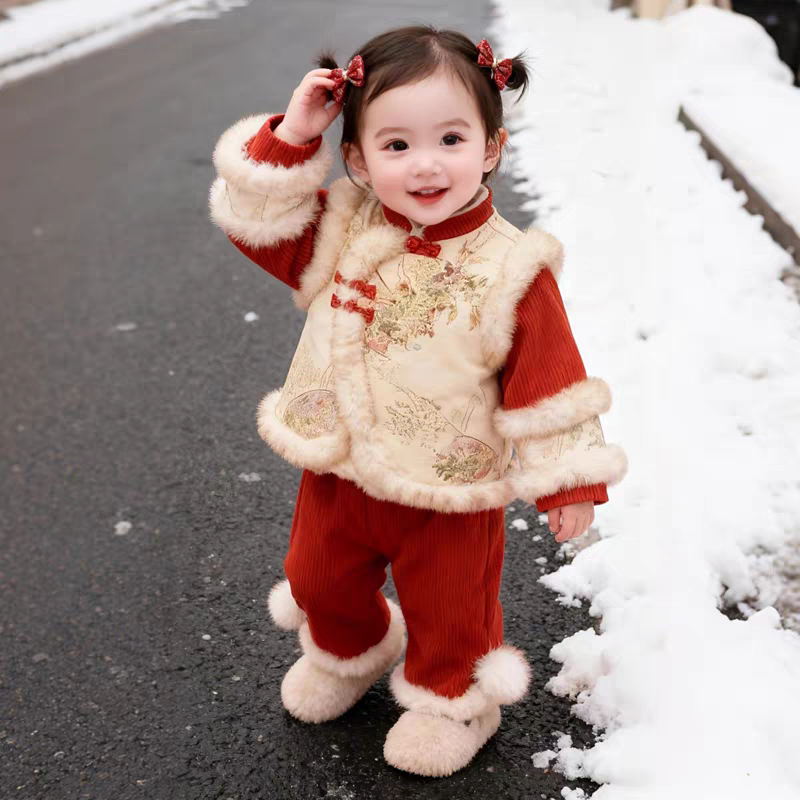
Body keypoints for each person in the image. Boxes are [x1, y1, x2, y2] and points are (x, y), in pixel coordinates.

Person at [208, 25, 627, 778]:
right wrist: (295, 134)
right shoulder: (345, 225)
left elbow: (550, 377)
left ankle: (456, 700)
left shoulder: (512, 268)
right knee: (316, 579)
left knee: (451, 611)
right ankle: (352, 650)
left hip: (451, 486)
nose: (426, 164)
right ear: (360, 159)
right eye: (396, 145)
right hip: (339, 466)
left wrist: (569, 479)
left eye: (451, 138)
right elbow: (260, 225)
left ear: (491, 149)